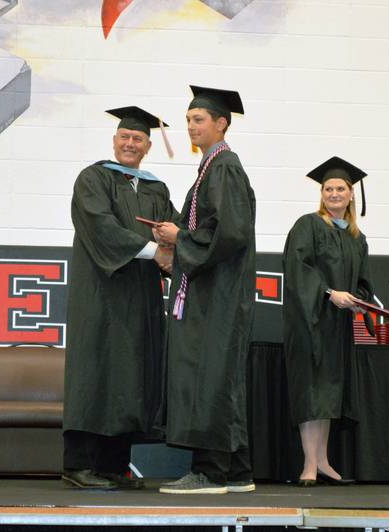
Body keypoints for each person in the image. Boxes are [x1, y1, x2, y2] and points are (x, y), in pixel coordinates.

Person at [62, 106, 175, 490]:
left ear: (147, 146)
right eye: (125, 137)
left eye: (138, 139)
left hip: (141, 298)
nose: (130, 143)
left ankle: (113, 466)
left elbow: (173, 232)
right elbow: (99, 226)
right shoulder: (93, 178)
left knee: (130, 376)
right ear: (114, 141)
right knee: (94, 373)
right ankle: (78, 465)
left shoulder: (156, 189)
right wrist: (154, 252)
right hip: (100, 294)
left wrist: (179, 244)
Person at [153, 86, 257, 495]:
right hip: (214, 290)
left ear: (221, 124)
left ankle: (210, 472)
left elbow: (230, 234)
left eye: (199, 120)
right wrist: (173, 237)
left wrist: (183, 238)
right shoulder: (210, 168)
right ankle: (237, 470)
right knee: (220, 376)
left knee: (210, 376)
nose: (191, 127)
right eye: (188, 120)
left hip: (218, 292)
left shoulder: (225, 167)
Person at [282, 156, 374, 487]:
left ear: (351, 195)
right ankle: (308, 463)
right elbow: (297, 270)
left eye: (340, 189)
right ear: (321, 194)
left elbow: (363, 281)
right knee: (312, 393)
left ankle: (322, 460)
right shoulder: (308, 225)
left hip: (338, 327)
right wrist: (328, 292)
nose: (333, 193)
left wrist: (361, 303)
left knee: (328, 396)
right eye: (328, 189)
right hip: (310, 322)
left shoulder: (356, 238)